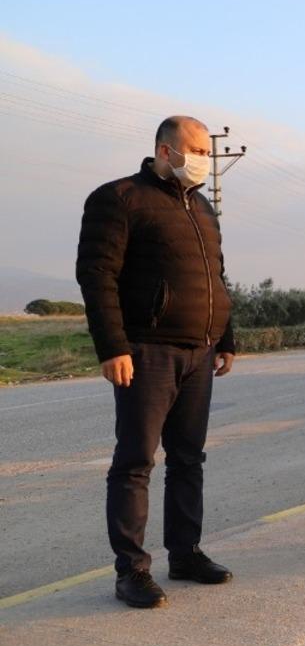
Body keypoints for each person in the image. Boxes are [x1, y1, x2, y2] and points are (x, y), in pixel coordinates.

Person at [76, 116, 236, 609]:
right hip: (146, 351)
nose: (204, 161)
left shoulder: (203, 207)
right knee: (135, 463)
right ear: (165, 151)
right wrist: (113, 347)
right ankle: (132, 571)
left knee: (189, 460)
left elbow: (216, 274)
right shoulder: (119, 198)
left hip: (199, 351)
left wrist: (226, 337)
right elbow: (96, 274)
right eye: (195, 150)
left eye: (208, 152)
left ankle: (185, 553)